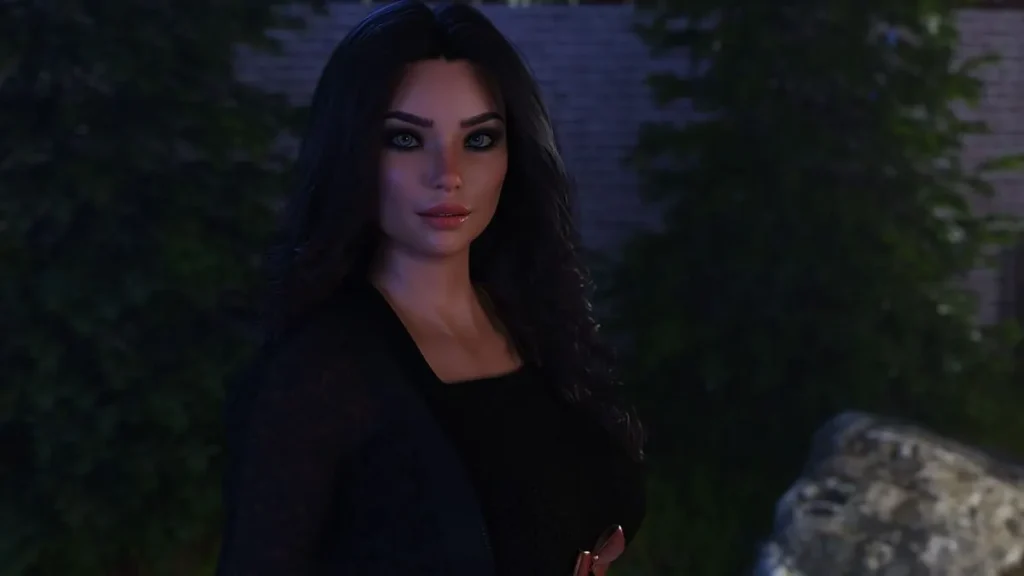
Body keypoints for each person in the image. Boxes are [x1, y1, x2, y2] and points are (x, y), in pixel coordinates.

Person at [217, 2, 646, 574]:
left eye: (479, 139)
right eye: (405, 139)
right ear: (353, 152)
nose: (448, 174)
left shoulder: (537, 323)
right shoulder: (319, 374)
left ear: (513, 155)